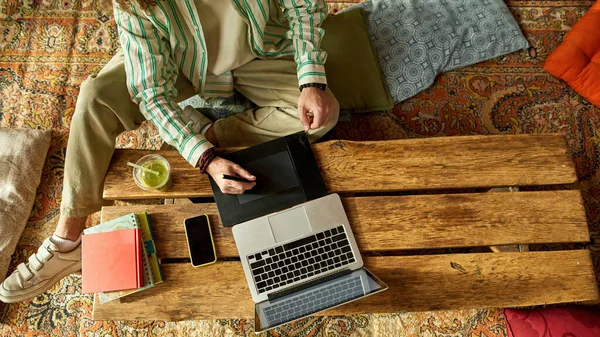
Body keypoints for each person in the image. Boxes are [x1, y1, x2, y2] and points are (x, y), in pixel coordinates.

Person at [0, 0, 339, 303]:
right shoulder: (135, 5)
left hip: (258, 51)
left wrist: (310, 81)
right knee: (95, 96)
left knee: (322, 116)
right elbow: (151, 93)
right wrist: (204, 158)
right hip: (180, 63)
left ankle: (208, 127)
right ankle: (66, 241)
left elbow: (304, 7)